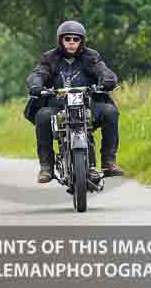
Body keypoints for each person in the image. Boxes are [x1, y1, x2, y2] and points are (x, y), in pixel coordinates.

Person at [25, 20, 124, 184]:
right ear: (60, 40)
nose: (71, 43)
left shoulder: (91, 57)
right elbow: (38, 73)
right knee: (42, 116)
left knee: (110, 111)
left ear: (82, 41)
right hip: (58, 105)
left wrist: (107, 80)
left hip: (87, 103)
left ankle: (108, 162)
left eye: (75, 39)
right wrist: (36, 84)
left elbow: (104, 71)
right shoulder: (49, 58)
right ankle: (46, 167)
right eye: (68, 39)